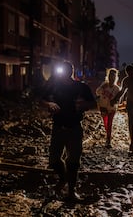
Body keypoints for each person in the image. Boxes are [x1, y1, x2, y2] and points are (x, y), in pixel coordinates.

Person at [41, 61, 97, 201]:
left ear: (71, 72)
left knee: (73, 161)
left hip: (74, 128)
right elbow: (41, 100)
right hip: (58, 127)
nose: (63, 74)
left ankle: (72, 192)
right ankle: (63, 179)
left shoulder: (81, 87)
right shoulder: (54, 86)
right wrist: (50, 103)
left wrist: (85, 105)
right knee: (54, 160)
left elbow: (94, 104)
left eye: (66, 71)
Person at [95, 68, 120, 148]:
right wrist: (102, 87)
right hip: (103, 108)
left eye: (113, 76)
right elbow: (97, 92)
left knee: (109, 124)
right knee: (106, 124)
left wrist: (115, 102)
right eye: (110, 75)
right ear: (108, 76)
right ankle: (107, 136)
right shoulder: (104, 84)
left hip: (112, 109)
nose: (111, 77)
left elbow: (118, 100)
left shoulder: (117, 88)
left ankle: (108, 140)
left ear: (115, 77)